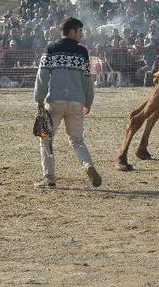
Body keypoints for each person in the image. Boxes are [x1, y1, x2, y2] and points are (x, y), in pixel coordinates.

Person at [33, 17, 101, 189]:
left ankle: (49, 179)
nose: (82, 34)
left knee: (46, 139)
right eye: (80, 31)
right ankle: (88, 165)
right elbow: (87, 79)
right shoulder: (82, 52)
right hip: (76, 102)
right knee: (77, 140)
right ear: (71, 32)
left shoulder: (50, 49)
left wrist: (39, 99)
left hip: (54, 101)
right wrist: (88, 101)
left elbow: (42, 76)